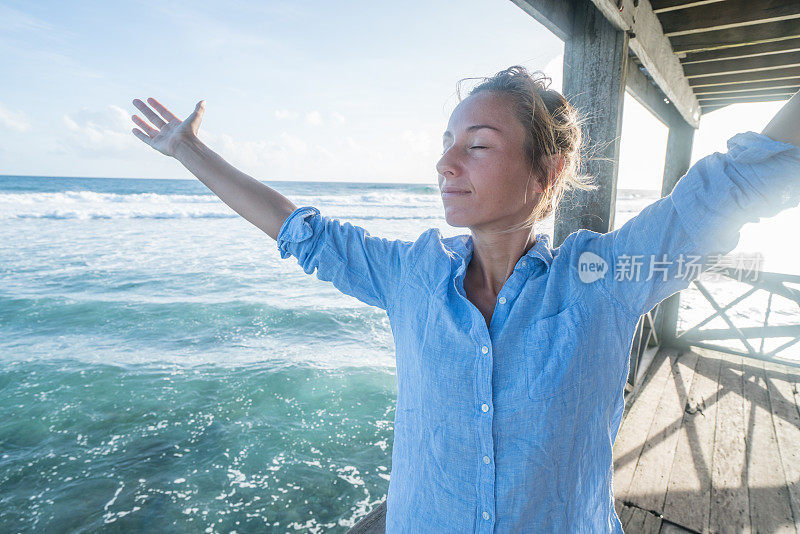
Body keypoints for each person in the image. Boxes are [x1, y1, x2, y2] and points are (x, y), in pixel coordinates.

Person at [131, 65, 800, 533]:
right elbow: (301, 232)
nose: (446, 164)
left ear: (549, 170)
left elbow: (735, 183)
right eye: (447, 145)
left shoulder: (605, 278)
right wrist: (189, 151)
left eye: (477, 146)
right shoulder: (411, 274)